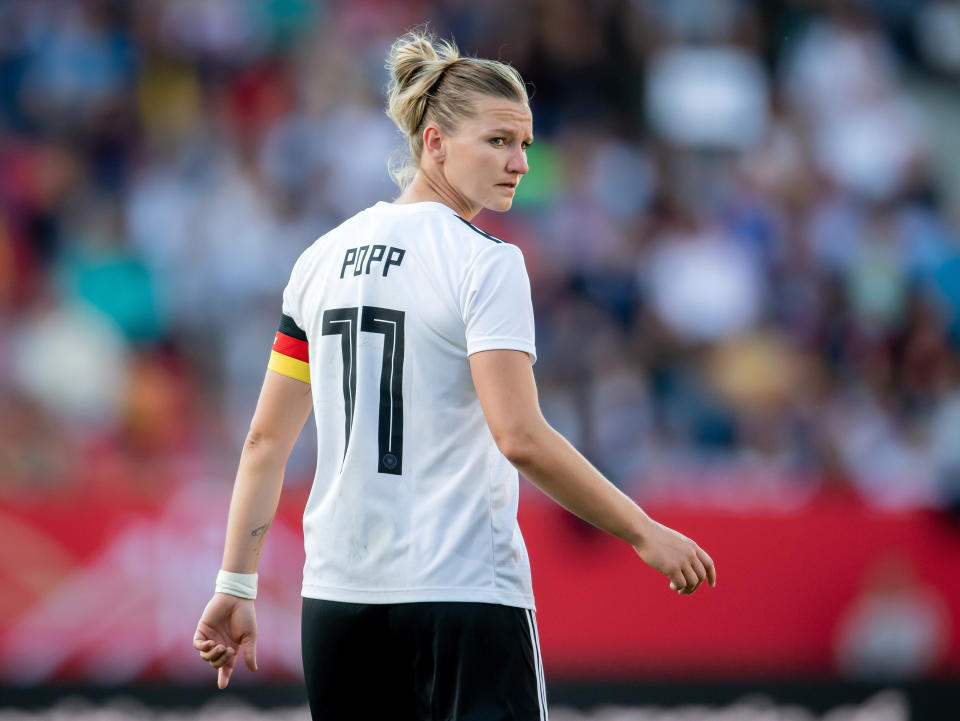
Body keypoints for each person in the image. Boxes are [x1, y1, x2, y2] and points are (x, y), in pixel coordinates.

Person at [192, 29, 717, 721]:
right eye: (498, 141)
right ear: (434, 142)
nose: (521, 163)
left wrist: (236, 581)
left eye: (526, 142)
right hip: (462, 594)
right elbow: (520, 436)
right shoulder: (485, 262)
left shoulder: (319, 260)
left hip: (338, 603)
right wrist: (643, 530)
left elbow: (265, 440)